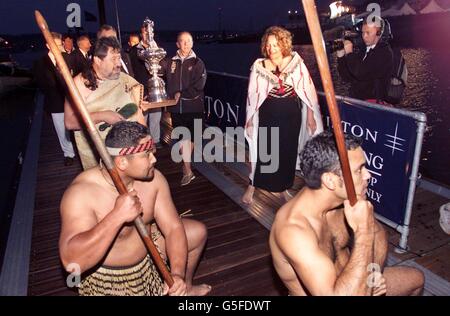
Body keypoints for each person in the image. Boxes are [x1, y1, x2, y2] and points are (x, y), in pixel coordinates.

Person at [59, 121, 211, 296]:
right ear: (122, 162)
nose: (154, 159)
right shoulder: (81, 193)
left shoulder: (154, 179)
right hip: (110, 279)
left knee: (197, 232)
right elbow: (71, 262)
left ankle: (187, 289)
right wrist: (117, 216)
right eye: (147, 154)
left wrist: (176, 274)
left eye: (152, 152)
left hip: (149, 254)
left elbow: (173, 228)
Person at [269, 131, 424, 296]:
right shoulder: (293, 231)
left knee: (415, 279)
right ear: (330, 180)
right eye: (359, 170)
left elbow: (377, 233)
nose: (368, 175)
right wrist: (363, 231)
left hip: (356, 281)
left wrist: (371, 274)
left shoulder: (345, 201)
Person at [242, 26, 323, 204]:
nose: (271, 49)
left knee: (287, 152)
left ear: (283, 44)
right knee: (263, 151)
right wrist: (249, 120)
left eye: (275, 44)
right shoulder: (259, 66)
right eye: (268, 45)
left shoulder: (296, 63)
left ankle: (284, 187)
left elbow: (308, 92)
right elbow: (252, 95)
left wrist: (310, 116)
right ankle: (253, 184)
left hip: (290, 116)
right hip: (267, 115)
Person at [64, 36, 146, 170]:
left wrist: (146, 138)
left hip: (129, 148)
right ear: (97, 60)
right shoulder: (78, 84)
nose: (119, 63)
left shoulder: (122, 78)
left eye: (119, 58)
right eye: (113, 59)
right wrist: (103, 116)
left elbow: (136, 110)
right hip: (98, 151)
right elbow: (69, 122)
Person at [160, 31, 207, 186]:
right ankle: (187, 170)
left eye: (188, 41)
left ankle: (185, 164)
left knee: (193, 138)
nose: (185, 44)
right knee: (182, 138)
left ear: (192, 43)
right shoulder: (169, 62)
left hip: (194, 107)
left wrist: (182, 93)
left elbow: (199, 85)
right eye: (182, 41)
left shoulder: (198, 63)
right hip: (176, 109)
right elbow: (155, 70)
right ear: (177, 44)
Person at [33, 31, 76, 166]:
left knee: (76, 127)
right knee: (61, 129)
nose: (58, 47)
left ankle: (80, 149)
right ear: (48, 45)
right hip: (55, 101)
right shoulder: (40, 63)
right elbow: (41, 83)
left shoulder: (67, 57)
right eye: (55, 45)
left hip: (72, 101)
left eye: (59, 44)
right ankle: (68, 154)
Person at [337, 16, 393, 102]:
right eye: (363, 33)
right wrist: (341, 57)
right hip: (357, 102)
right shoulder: (364, 50)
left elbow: (360, 72)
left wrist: (349, 52)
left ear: (379, 33)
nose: (364, 36)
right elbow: (347, 77)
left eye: (368, 33)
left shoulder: (384, 53)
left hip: (373, 105)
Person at [129, 24, 166, 150]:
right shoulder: (134, 51)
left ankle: (155, 139)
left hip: (155, 89)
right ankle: (143, 141)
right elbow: (131, 72)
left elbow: (163, 69)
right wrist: (138, 91)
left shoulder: (158, 49)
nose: (148, 35)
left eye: (150, 33)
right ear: (141, 34)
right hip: (141, 90)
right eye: (145, 33)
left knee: (156, 115)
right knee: (142, 117)